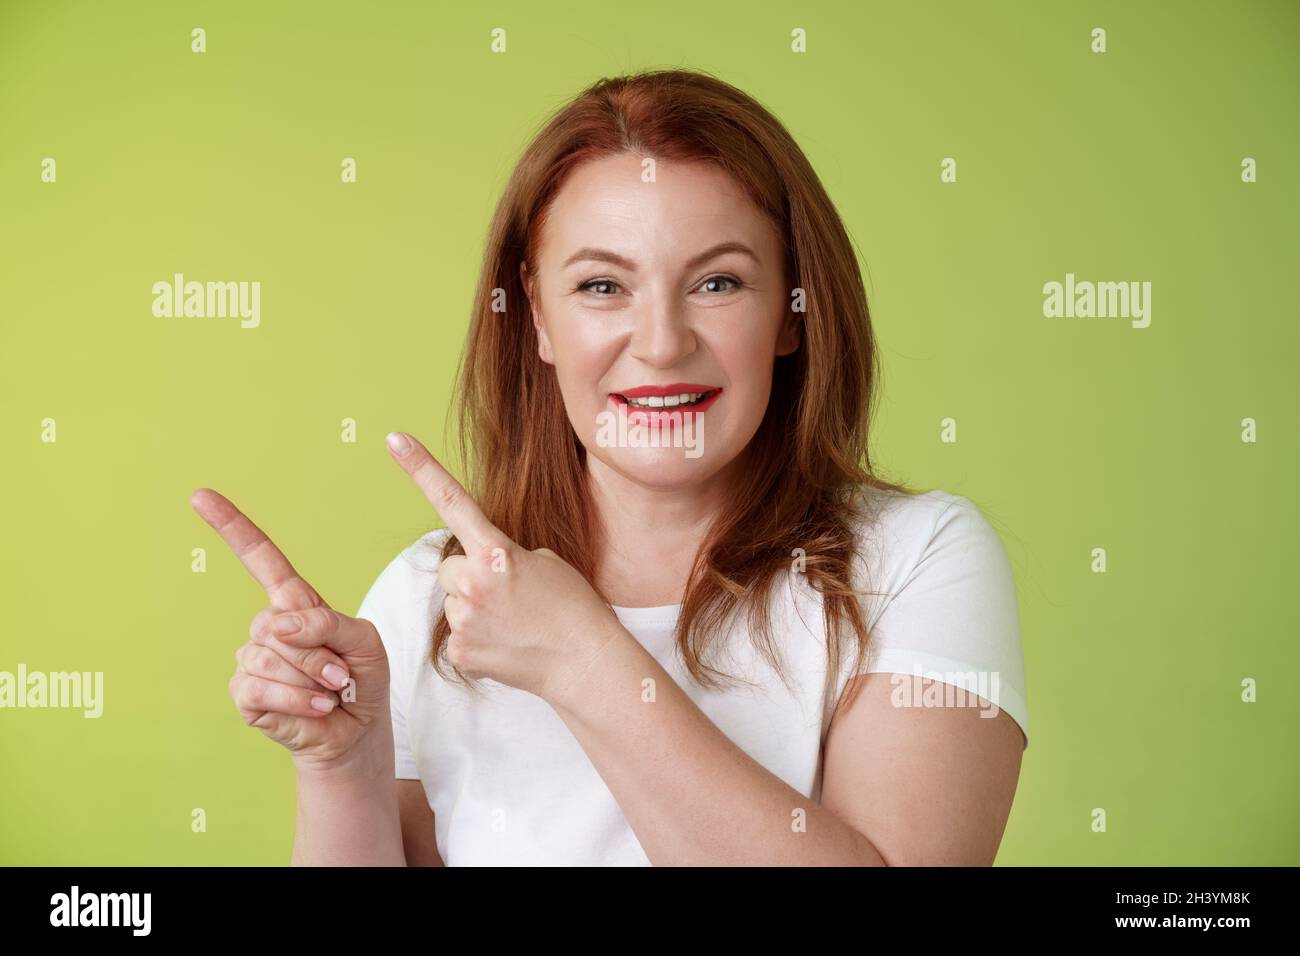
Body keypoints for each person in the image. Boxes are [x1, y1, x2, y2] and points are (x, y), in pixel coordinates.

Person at [193, 68, 1028, 866]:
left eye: (718, 283)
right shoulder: (436, 596)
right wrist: (342, 769)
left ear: (792, 311)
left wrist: (584, 660)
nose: (662, 344)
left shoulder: (915, 560)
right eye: (601, 286)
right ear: (538, 318)